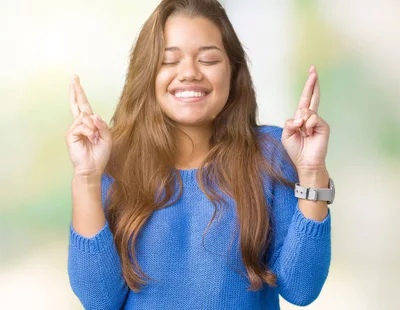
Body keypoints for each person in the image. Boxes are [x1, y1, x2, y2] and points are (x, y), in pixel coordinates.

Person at [65, 0, 334, 309]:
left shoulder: (271, 153)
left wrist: (312, 170)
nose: (189, 73)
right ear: (147, 72)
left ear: (233, 71)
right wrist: (86, 178)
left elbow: (301, 289)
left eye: (207, 59)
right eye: (169, 61)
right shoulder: (113, 161)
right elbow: (99, 300)